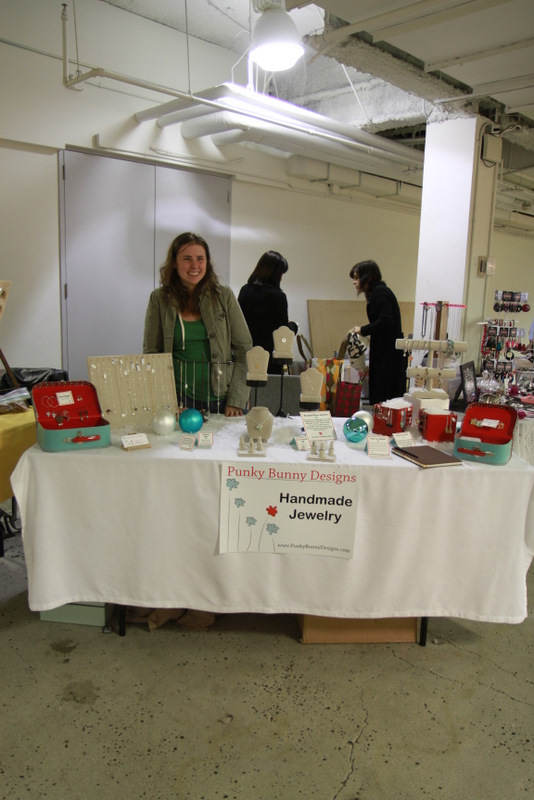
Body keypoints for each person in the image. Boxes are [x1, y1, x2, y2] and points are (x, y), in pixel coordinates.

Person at [143, 232, 252, 416]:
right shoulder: (159, 299)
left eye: (200, 259)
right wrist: (166, 401)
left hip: (224, 400)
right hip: (178, 400)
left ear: (207, 262)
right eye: (187, 259)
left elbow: (245, 350)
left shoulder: (224, 296)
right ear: (174, 262)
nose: (195, 265)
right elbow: (152, 354)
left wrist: (236, 399)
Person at [348, 259, 407, 405]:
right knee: (381, 395)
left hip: (388, 355)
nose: (354, 282)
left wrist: (362, 329)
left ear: (368, 278)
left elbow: (385, 321)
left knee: (384, 397)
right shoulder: (377, 293)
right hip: (385, 353)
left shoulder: (380, 293)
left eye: (357, 278)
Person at [238, 251, 297, 374]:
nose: (281, 278)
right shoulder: (278, 297)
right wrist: (293, 326)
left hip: (246, 358)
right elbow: (282, 335)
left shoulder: (244, 291)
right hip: (269, 361)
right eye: (280, 274)